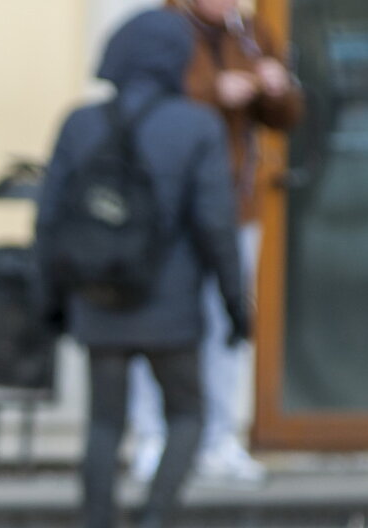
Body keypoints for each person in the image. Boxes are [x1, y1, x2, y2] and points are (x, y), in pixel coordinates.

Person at [37, 9, 250, 528]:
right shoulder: (196, 124)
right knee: (188, 413)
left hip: (97, 299)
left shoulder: (79, 123)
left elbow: (49, 218)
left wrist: (53, 301)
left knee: (104, 424)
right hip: (171, 303)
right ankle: (154, 521)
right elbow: (215, 226)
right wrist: (237, 304)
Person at [128, 0, 304, 485]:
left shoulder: (251, 32)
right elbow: (142, 97)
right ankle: (152, 436)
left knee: (230, 323)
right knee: (155, 321)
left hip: (233, 205)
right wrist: (213, 91)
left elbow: (286, 116)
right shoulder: (162, 28)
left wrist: (276, 87)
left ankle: (220, 438)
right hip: (169, 207)